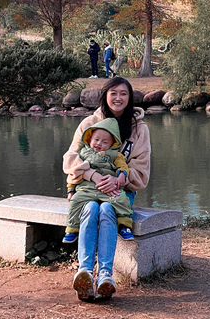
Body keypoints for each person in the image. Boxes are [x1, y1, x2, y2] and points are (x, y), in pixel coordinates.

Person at [62, 77, 151, 301]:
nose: (118, 98)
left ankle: (104, 276)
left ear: (130, 98)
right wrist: (91, 174)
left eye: (123, 93)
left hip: (119, 191)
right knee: (91, 208)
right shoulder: (89, 124)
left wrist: (118, 180)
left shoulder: (139, 129)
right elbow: (70, 158)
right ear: (105, 96)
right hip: (88, 188)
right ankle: (84, 272)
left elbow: (141, 170)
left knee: (107, 211)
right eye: (113, 93)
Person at [62, 118, 134, 244]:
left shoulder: (115, 155)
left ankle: (125, 225)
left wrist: (121, 176)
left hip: (109, 190)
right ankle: (72, 229)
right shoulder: (82, 153)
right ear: (89, 139)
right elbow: (74, 172)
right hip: (86, 189)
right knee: (75, 201)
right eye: (96, 140)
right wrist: (71, 190)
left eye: (105, 142)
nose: (99, 144)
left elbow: (123, 167)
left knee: (122, 199)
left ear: (112, 144)